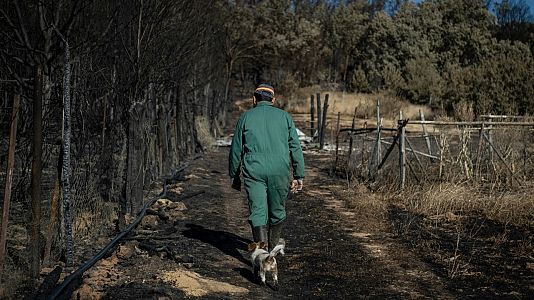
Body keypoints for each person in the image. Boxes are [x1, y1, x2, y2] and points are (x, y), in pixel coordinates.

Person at [229, 83, 305, 252]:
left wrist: (234, 176)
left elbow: (235, 149)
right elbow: (295, 147)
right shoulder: (285, 117)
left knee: (258, 212)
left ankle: (262, 256)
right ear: (273, 100)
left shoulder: (246, 117)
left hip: (254, 171)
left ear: (254, 99)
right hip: (280, 171)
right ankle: (272, 250)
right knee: (277, 210)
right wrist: (299, 175)